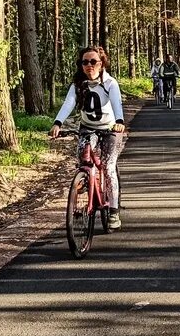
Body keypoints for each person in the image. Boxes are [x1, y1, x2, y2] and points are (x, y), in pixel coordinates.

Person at [50, 46, 126, 230]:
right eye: (85, 62)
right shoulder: (78, 84)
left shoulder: (110, 83)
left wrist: (119, 121)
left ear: (101, 64)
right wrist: (58, 123)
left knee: (108, 167)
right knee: (83, 159)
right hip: (87, 128)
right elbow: (69, 103)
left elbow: (116, 102)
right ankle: (86, 182)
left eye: (93, 61)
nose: (89, 65)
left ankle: (114, 212)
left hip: (110, 129)